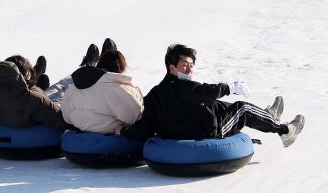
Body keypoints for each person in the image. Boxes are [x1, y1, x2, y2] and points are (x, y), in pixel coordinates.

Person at [118, 44, 305, 147]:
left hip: (184, 131)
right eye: (184, 65)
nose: (189, 68)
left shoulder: (155, 94)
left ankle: (266, 116)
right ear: (172, 68)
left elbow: (145, 126)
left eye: (191, 65)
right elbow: (203, 92)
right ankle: (284, 131)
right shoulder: (183, 87)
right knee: (243, 108)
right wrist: (230, 87)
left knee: (215, 105)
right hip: (208, 134)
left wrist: (124, 131)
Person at [0, 55, 71, 130]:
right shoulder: (33, 99)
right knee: (46, 88)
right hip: (30, 140)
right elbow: (61, 121)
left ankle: (37, 72)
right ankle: (37, 73)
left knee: (38, 83)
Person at [60, 50, 144, 134]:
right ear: (121, 68)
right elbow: (137, 117)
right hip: (108, 141)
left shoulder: (73, 88)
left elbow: (66, 117)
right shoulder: (118, 90)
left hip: (76, 141)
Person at [45, 38, 117, 103]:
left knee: (61, 86)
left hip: (45, 102)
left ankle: (87, 70)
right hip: (59, 111)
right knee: (72, 91)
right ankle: (104, 69)